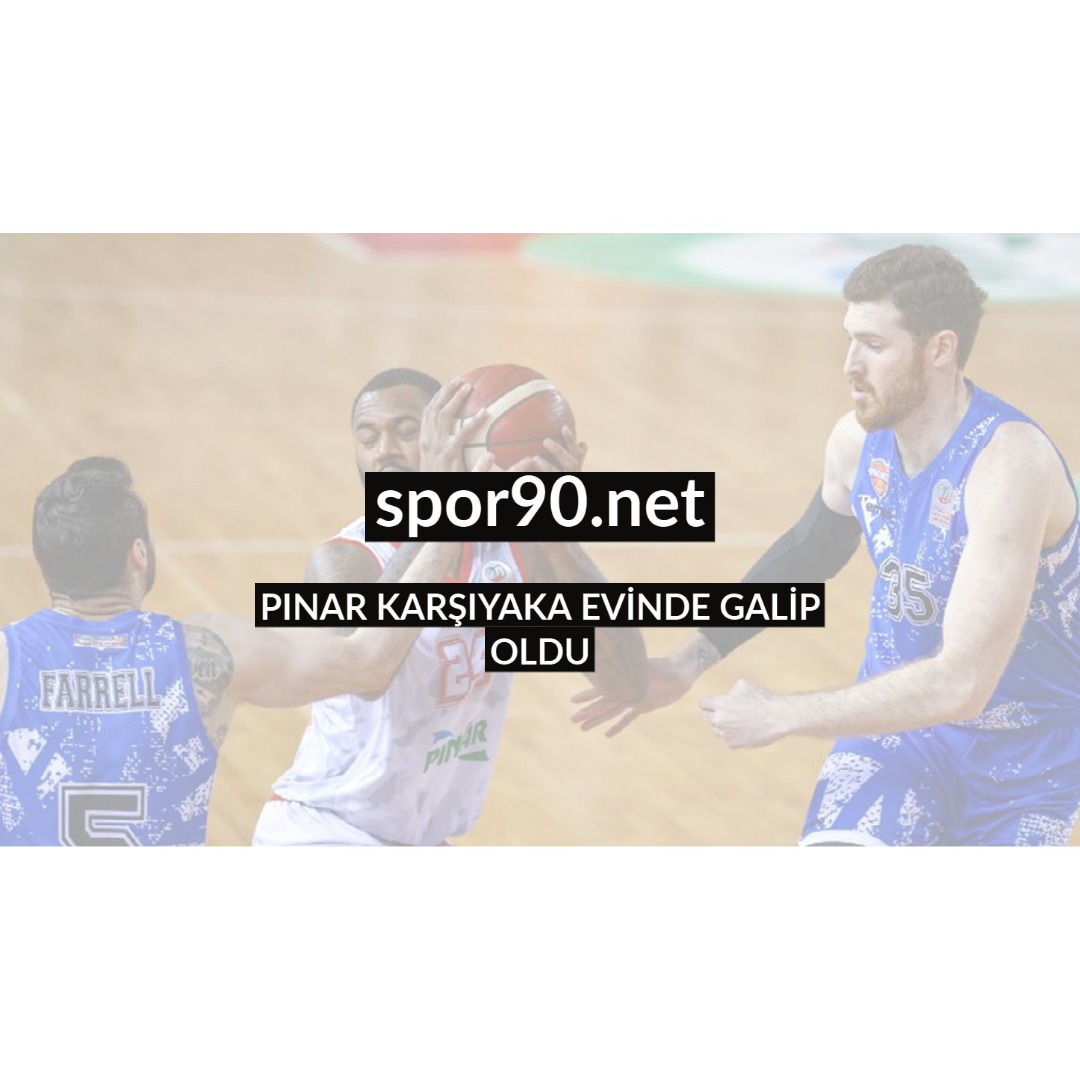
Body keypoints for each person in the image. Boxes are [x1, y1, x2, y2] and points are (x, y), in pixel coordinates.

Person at [573, 244, 1080, 846]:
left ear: (940, 349)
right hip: (898, 739)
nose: (848, 365)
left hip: (1025, 766)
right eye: (849, 340)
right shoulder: (856, 442)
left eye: (873, 345)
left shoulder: (1008, 466)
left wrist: (783, 713)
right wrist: (691, 659)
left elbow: (962, 684)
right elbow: (810, 550)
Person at [252, 367, 648, 846]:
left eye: (406, 431)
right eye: (368, 438)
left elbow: (627, 683)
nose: (383, 451)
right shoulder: (345, 560)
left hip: (420, 840)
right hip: (324, 830)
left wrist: (558, 531)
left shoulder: (514, 550)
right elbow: (366, 672)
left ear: (461, 438)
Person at [0, 456, 463, 845]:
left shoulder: (8, 659)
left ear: (46, 560)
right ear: (138, 553)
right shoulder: (206, 651)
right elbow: (370, 661)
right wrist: (444, 509)